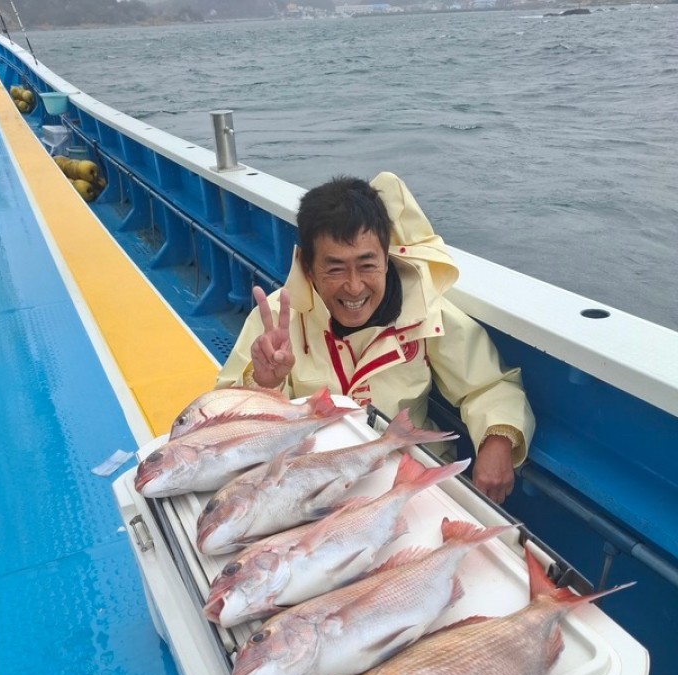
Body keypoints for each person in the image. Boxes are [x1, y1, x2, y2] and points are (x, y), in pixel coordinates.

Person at [217, 172, 534, 504]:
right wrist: (264, 384)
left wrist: (497, 442)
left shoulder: (426, 313)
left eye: (367, 265)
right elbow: (221, 421)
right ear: (308, 268)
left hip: (409, 478)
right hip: (306, 483)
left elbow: (489, 385)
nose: (354, 287)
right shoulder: (277, 319)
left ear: (386, 259)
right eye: (335, 268)